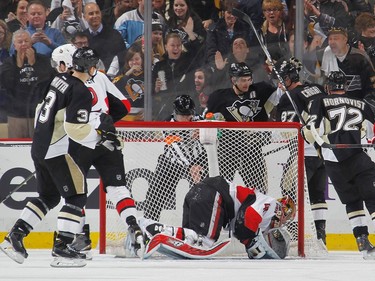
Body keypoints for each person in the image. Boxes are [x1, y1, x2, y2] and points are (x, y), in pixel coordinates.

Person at [0, 47, 100, 265]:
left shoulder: (59, 79)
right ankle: (62, 248)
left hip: (40, 145)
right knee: (77, 196)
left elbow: (41, 110)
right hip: (56, 149)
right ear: (92, 68)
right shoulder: (81, 91)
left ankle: (14, 237)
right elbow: (75, 128)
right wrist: (99, 136)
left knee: (49, 196)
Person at [303, 71, 375, 259]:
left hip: (332, 161)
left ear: (328, 87)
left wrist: (304, 132)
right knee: (372, 197)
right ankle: (364, 242)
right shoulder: (361, 104)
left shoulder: (319, 101)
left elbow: (311, 132)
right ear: (345, 86)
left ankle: (362, 241)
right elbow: (371, 134)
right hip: (357, 156)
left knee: (352, 201)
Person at [140, 176, 296, 259]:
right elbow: (249, 216)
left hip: (198, 192)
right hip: (213, 195)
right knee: (205, 242)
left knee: (191, 239)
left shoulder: (265, 211)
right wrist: (251, 243)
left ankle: (149, 229)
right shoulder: (273, 204)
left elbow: (246, 221)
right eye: (286, 218)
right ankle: (154, 228)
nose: (283, 222)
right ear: (283, 210)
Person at [274, 57, 328, 244]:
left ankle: (294, 231)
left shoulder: (289, 97)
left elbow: (284, 127)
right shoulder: (317, 88)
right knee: (317, 194)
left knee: (288, 190)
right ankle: (321, 236)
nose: (280, 83)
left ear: (290, 77)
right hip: (321, 153)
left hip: (302, 153)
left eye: (282, 79)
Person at [205, 62, 275, 193]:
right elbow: (207, 119)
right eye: (243, 80)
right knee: (221, 191)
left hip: (252, 150)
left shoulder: (261, 90)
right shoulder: (219, 97)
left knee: (259, 192)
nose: (247, 83)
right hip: (227, 151)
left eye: (249, 79)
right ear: (233, 80)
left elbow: (280, 92)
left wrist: (275, 74)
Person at [144, 95, 208, 221]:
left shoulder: (200, 120)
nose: (187, 118)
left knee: (203, 197)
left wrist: (204, 134)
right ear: (175, 113)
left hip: (198, 161)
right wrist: (191, 166)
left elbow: (217, 135)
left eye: (189, 114)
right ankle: (148, 226)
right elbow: (176, 148)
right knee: (154, 196)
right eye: (183, 115)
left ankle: (201, 228)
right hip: (171, 163)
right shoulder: (167, 124)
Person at [0, 29, 54, 138]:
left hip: (39, 114)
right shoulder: (8, 63)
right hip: (16, 115)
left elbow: (48, 82)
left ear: (31, 43)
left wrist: (34, 64)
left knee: (39, 147)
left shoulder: (43, 60)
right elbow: (7, 86)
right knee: (16, 150)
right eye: (20, 42)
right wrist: (18, 67)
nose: (23, 44)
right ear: (14, 45)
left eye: (26, 41)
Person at [152, 32, 201, 120]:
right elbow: (150, 91)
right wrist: (156, 89)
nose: (176, 48)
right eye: (172, 45)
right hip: (167, 109)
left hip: (188, 109)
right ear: (166, 46)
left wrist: (192, 35)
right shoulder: (159, 66)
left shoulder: (189, 62)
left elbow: (199, 52)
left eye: (178, 45)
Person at [320, 27, 375, 100]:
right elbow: (322, 81)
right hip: (333, 104)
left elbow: (371, 85)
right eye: (330, 39)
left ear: (345, 40)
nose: (332, 42)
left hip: (357, 104)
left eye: (336, 38)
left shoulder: (359, 57)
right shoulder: (325, 55)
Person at [83, 2, 126, 73]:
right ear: (84, 17)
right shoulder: (83, 38)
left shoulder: (115, 35)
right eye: (91, 14)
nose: (95, 16)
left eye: (97, 13)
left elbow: (122, 58)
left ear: (101, 14)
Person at [113, 43, 145, 121]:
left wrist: (150, 110)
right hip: (125, 116)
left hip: (142, 116)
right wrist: (128, 73)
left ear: (142, 59)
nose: (134, 62)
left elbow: (154, 94)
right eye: (131, 60)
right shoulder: (123, 73)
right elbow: (113, 86)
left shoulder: (148, 74)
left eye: (137, 59)